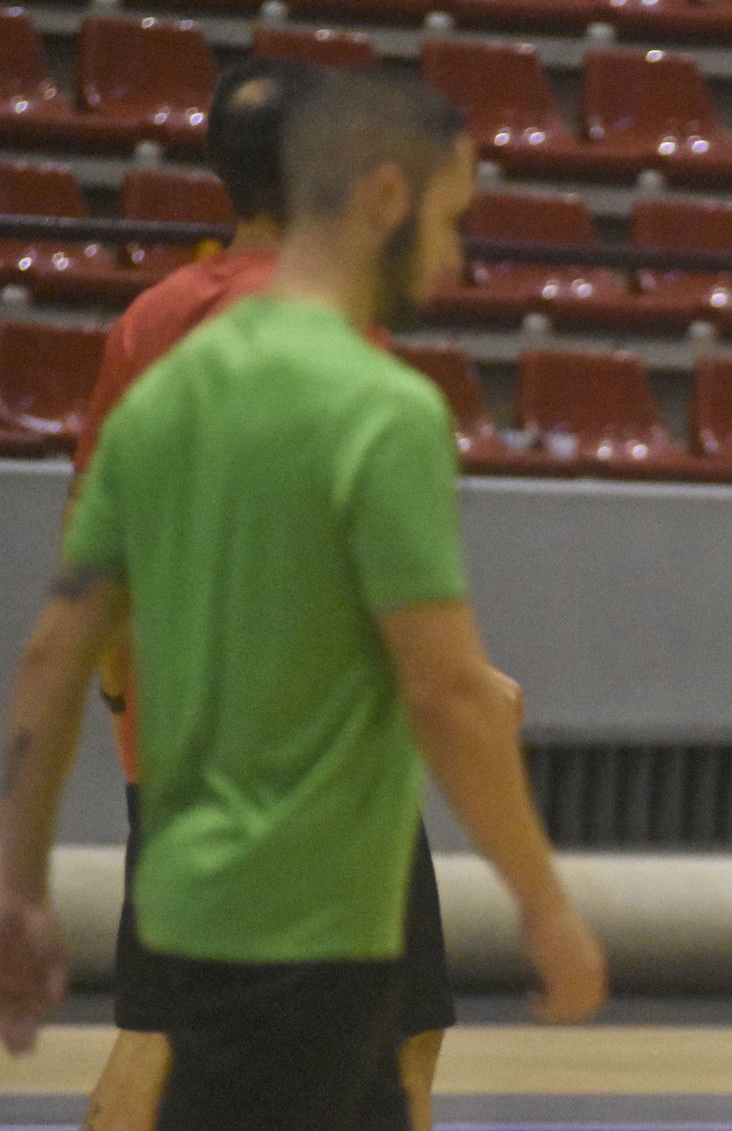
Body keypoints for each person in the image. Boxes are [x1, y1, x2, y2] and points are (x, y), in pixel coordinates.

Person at [0, 67, 607, 1129]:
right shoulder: (381, 406)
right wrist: (548, 910)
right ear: (382, 199)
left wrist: (19, 886)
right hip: (311, 909)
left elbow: (56, 652)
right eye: (449, 220)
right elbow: (445, 698)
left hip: (204, 878)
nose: (455, 258)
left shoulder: (163, 381)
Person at [70, 58, 460, 1131]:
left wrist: (128, 718)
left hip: (179, 745)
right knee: (402, 1028)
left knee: (164, 1028)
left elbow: (93, 558)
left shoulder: (145, 322)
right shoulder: (330, 325)